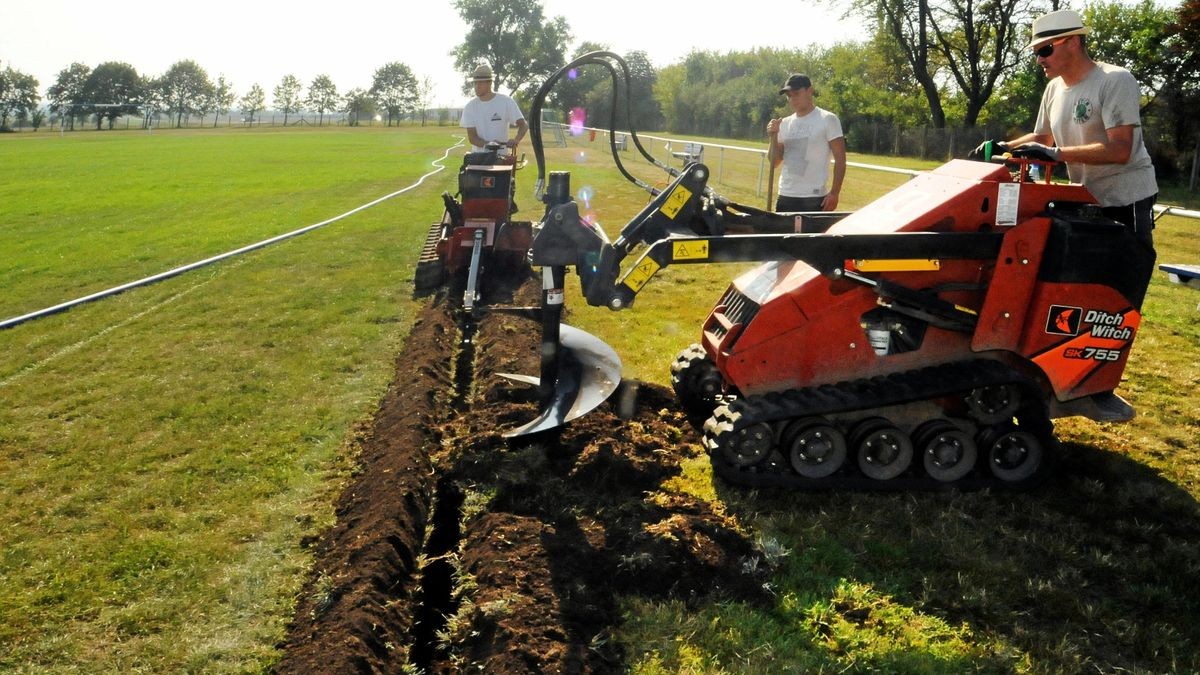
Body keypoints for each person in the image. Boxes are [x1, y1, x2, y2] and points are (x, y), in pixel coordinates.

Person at [971, 9, 1158, 246]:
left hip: (1126, 199)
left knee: (1124, 276)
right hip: (1084, 198)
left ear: (1074, 42)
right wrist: (1003, 146)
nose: (1039, 59)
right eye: (1036, 53)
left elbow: (1121, 150)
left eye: (1045, 49)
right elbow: (1042, 138)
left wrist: (1056, 154)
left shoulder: (1115, 80)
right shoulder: (1053, 89)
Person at [766, 73, 847, 213]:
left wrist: (834, 193)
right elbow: (774, 162)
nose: (792, 99)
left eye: (796, 94)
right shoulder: (783, 123)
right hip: (786, 195)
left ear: (810, 91)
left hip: (814, 198)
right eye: (789, 96)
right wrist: (772, 137)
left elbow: (841, 160)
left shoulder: (828, 119)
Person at [460, 63, 528, 154]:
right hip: (478, 159)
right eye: (475, 83)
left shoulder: (506, 102)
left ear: (490, 82)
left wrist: (516, 140)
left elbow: (523, 125)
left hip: (501, 158)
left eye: (481, 82)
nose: (477, 86)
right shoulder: (470, 107)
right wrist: (489, 144)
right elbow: (472, 138)